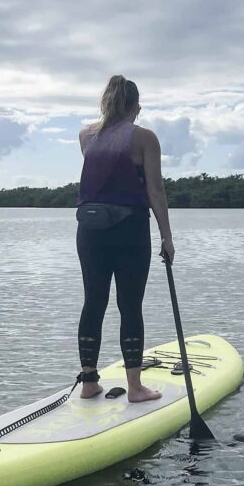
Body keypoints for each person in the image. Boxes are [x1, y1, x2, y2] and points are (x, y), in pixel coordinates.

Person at [76, 74, 175, 402]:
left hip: (89, 230)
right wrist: (167, 237)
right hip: (129, 228)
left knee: (94, 301)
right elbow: (155, 190)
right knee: (130, 306)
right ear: (136, 107)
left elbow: (103, 177)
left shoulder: (86, 135)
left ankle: (89, 381)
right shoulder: (145, 138)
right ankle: (135, 387)